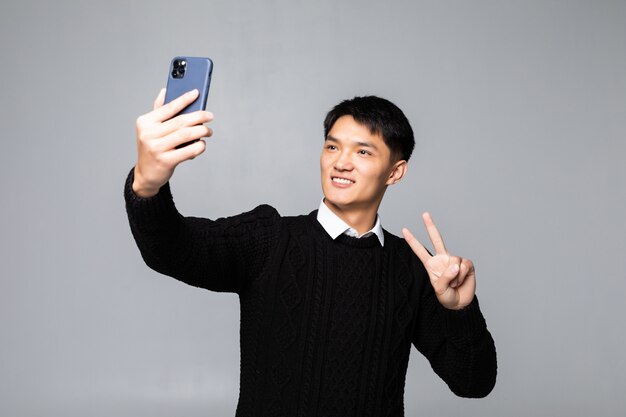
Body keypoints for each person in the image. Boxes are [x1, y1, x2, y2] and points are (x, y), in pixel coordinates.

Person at [124, 88, 497, 416]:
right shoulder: (269, 238)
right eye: (332, 146)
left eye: (363, 151)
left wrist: (460, 310)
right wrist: (147, 184)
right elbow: (171, 250)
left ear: (395, 172)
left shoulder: (413, 269)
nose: (341, 162)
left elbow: (473, 382)